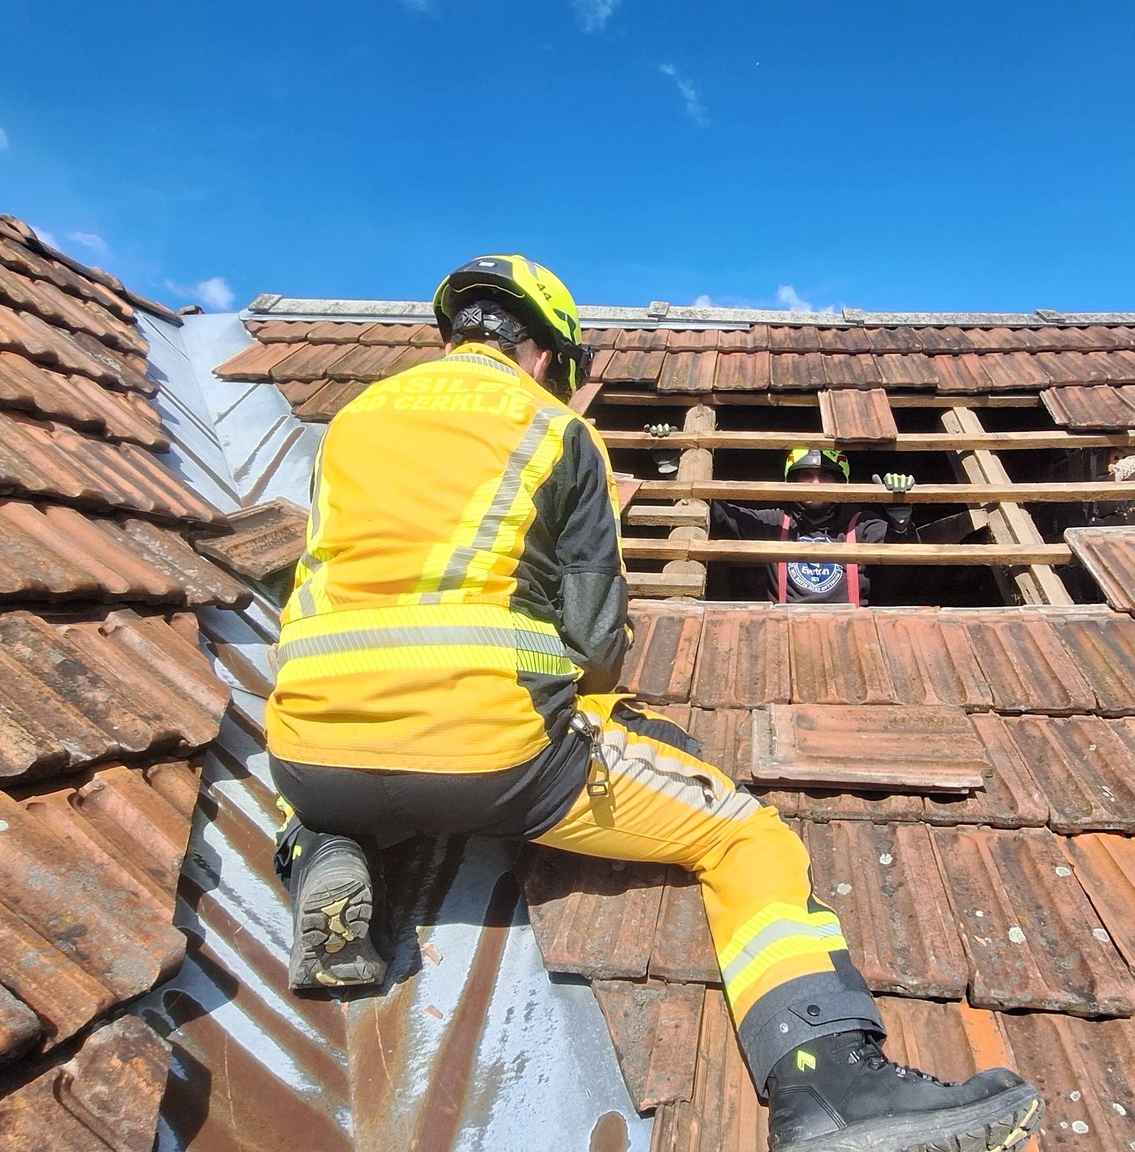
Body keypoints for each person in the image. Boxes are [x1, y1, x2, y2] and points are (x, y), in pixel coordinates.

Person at [265, 255, 1042, 1152]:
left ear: (452, 335)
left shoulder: (350, 425)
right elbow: (594, 635)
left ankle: (329, 843)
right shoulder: (552, 432)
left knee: (336, 749)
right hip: (494, 758)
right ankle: (830, 1085)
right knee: (743, 836)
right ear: (550, 354)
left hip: (308, 751)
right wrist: (604, 713)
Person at [658, 434, 916, 604]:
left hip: (852, 630)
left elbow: (898, 557)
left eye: (825, 476)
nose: (815, 484)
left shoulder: (860, 523)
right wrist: (675, 472)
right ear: (791, 482)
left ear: (841, 482)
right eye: (806, 476)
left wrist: (901, 521)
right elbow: (720, 513)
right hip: (785, 629)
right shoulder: (775, 522)